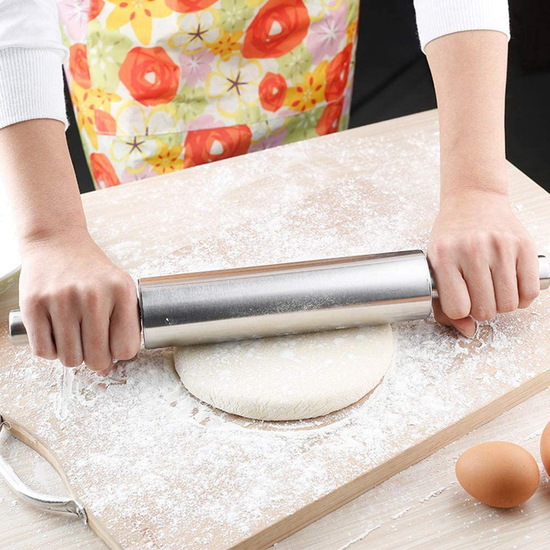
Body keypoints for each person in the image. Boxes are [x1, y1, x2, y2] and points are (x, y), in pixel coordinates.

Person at [0, 0, 541, 375]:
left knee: (306, 218)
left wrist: (477, 191)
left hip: (298, 50)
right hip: (135, 66)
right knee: (168, 245)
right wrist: (53, 234)